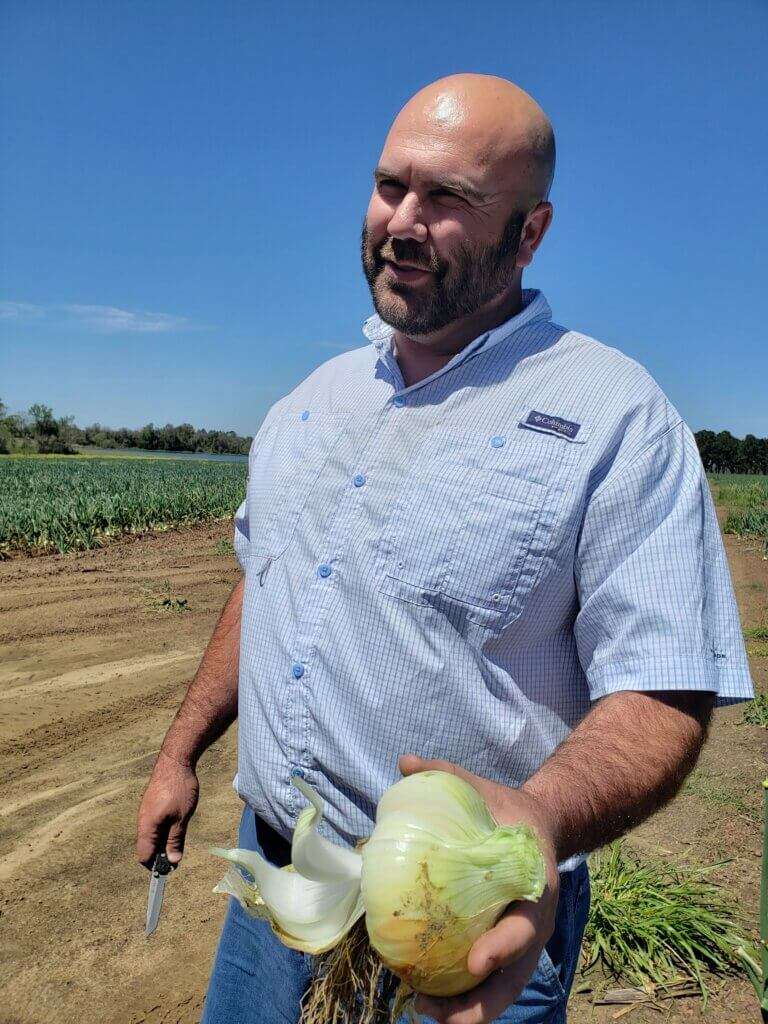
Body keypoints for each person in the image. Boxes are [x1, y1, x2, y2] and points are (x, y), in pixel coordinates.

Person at [135, 73, 754, 1024]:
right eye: (391, 186)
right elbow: (267, 584)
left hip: (461, 927)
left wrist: (541, 819)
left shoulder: (617, 417)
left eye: (451, 199)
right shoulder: (311, 401)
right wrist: (181, 753)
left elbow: (665, 686)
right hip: (278, 888)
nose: (404, 222)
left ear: (531, 230)